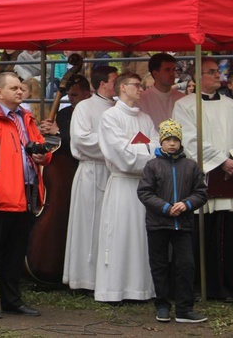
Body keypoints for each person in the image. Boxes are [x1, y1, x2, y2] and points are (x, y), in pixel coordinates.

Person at [0, 72, 51, 318]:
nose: (20, 91)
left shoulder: (26, 119)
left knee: (15, 253)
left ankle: (12, 300)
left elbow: (43, 150)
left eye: (21, 88)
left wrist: (43, 156)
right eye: (14, 88)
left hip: (25, 194)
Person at [172, 57, 233, 301]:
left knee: (229, 232)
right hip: (204, 176)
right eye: (212, 72)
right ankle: (202, 287)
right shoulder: (184, 105)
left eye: (219, 71)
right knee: (202, 233)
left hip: (229, 177)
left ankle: (231, 287)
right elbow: (188, 137)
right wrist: (219, 161)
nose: (219, 76)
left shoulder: (229, 104)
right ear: (197, 77)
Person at [94, 72, 159, 303]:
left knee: (142, 236)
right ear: (122, 87)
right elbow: (121, 155)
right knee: (119, 235)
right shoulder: (110, 117)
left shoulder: (146, 118)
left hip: (144, 186)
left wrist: (139, 149)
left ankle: (140, 289)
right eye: (136, 85)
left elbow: (158, 148)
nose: (141, 89)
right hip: (122, 183)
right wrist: (146, 150)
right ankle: (114, 290)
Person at [137, 119, 208, 324]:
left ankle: (184, 309)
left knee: (186, 265)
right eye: (168, 139)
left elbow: (201, 192)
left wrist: (186, 204)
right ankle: (162, 305)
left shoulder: (191, 166)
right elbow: (144, 193)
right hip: (158, 224)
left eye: (175, 139)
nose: (172, 143)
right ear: (161, 141)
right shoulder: (152, 166)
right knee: (159, 265)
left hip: (183, 225)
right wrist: (166, 207)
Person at [63, 65, 117, 291]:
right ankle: (84, 279)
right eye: (115, 81)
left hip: (114, 171)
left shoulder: (118, 107)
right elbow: (81, 140)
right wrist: (117, 144)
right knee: (88, 224)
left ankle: (109, 277)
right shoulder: (84, 107)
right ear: (103, 83)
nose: (118, 85)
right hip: (92, 170)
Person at [137, 53, 186, 130]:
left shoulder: (183, 99)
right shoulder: (140, 100)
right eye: (167, 70)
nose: (172, 74)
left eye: (173, 70)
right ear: (155, 74)